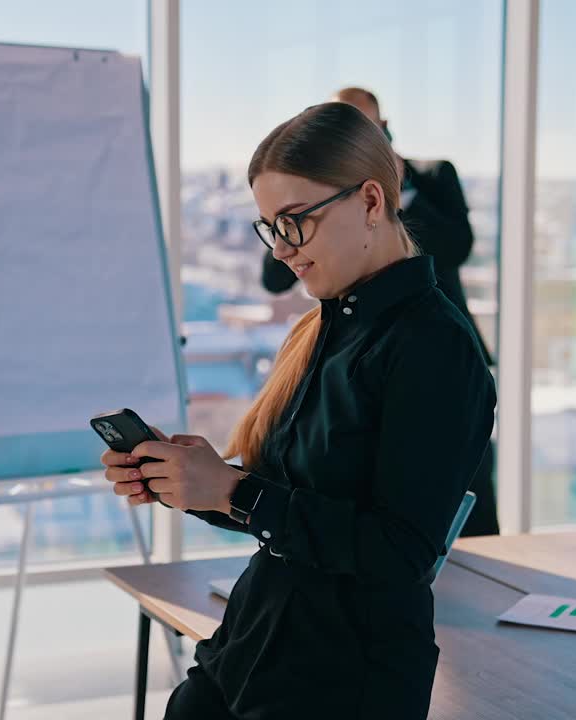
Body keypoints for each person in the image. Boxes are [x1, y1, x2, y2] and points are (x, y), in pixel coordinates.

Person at [103, 102, 495, 719]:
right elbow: (292, 507)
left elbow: (400, 552)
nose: (281, 250)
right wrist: (195, 483)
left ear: (370, 202)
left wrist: (233, 491)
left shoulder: (434, 348)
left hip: (340, 681)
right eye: (268, 226)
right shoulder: (319, 331)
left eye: (295, 221)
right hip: (248, 653)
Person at [261, 86, 499, 537]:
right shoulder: (316, 331)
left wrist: (399, 190)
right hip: (353, 340)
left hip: (422, 345)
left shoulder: (430, 177)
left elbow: (458, 246)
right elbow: (273, 277)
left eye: (366, 129)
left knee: (461, 498)